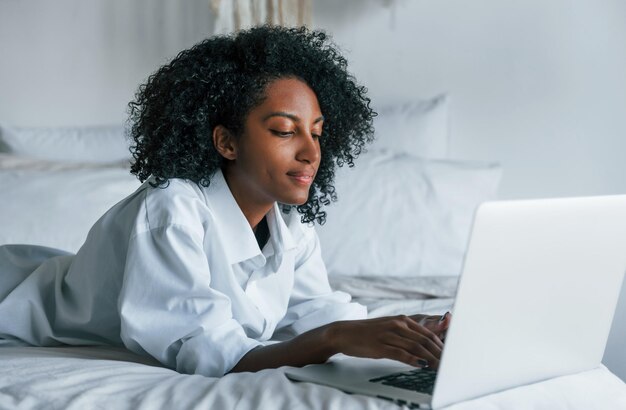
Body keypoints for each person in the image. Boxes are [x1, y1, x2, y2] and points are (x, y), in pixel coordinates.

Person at [0, 25, 450, 377]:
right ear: (226, 142)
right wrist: (334, 339)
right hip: (11, 298)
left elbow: (317, 311)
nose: (311, 151)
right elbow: (212, 353)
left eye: (316, 131)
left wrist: (422, 326)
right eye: (284, 130)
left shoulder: (290, 223)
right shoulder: (170, 210)